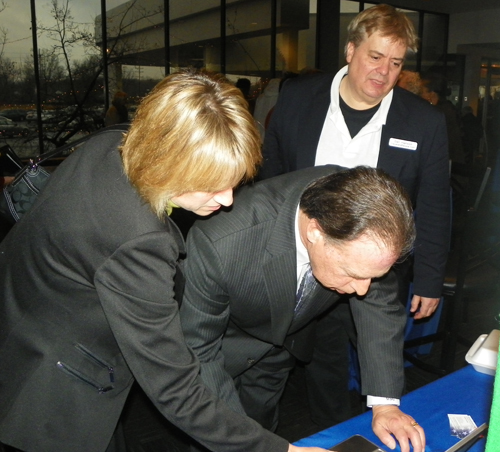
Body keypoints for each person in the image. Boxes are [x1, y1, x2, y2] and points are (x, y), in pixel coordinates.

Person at [0, 69, 326, 452]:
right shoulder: (138, 241)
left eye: (233, 182)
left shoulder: (117, 141)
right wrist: (280, 450)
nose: (227, 200)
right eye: (211, 183)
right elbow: (176, 389)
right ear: (169, 160)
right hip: (52, 391)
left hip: (22, 320)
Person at [260, 2, 450, 437]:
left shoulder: (423, 122)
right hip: (313, 259)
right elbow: (271, 180)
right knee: (322, 360)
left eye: (396, 62)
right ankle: (334, 434)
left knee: (380, 355)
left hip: (380, 267)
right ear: (351, 50)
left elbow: (435, 204)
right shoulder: (298, 100)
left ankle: (381, 419)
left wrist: (429, 278)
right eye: (376, 56)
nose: (384, 72)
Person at [180, 165, 426, 452]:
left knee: (261, 422)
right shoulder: (221, 242)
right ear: (315, 232)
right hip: (221, 348)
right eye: (353, 274)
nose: (362, 290)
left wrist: (384, 405)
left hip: (283, 343)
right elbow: (199, 350)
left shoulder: (366, 218)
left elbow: (380, 307)